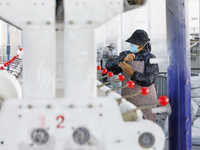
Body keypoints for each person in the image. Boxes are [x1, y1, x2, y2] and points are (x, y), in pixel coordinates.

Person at [105, 29, 159, 122]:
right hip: (127, 99)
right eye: (131, 43)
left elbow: (149, 80)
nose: (132, 45)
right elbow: (108, 66)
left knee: (145, 126)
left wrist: (132, 73)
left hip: (145, 101)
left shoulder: (150, 58)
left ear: (142, 45)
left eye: (135, 44)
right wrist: (122, 59)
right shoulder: (126, 54)